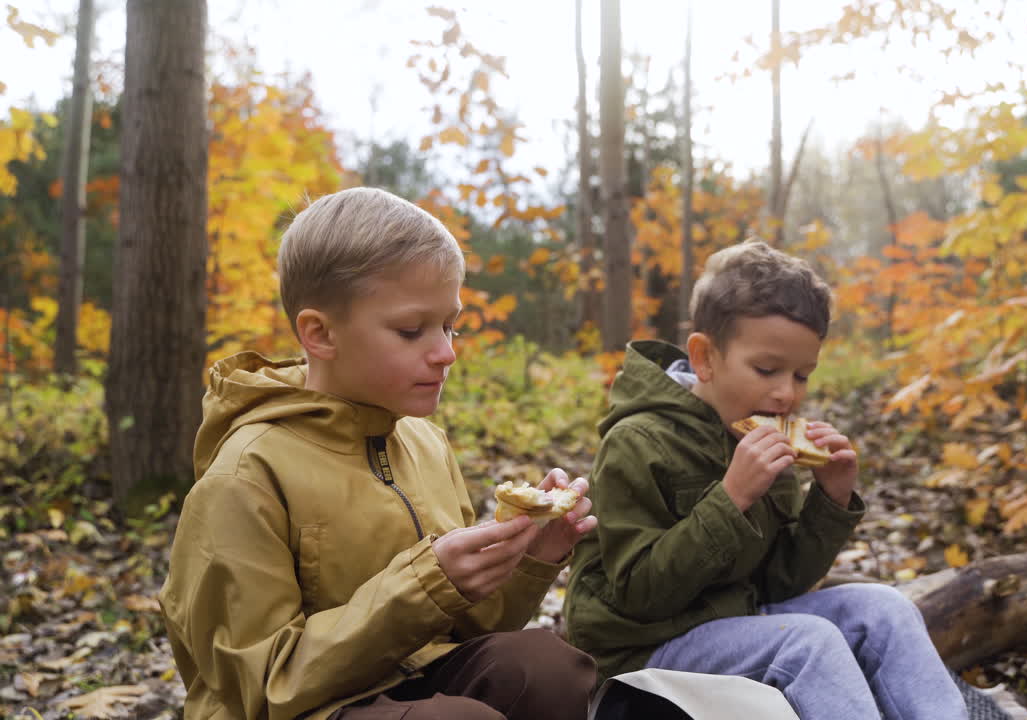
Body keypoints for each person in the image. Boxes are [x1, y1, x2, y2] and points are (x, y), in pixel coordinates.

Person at [160, 187, 599, 720]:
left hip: (406, 680)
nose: (446, 352)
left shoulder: (424, 442)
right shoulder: (249, 473)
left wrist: (534, 555)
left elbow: (471, 630)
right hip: (293, 708)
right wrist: (424, 585)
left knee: (545, 668)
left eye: (449, 325)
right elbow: (260, 685)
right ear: (320, 333)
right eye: (412, 330)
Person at [565, 240, 966, 719]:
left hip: (739, 624)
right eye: (767, 369)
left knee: (885, 608)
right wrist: (731, 498)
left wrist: (831, 499)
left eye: (802, 375)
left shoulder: (760, 435)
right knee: (807, 644)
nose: (786, 394)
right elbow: (639, 594)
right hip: (642, 651)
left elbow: (779, 586)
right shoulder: (638, 442)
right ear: (705, 358)